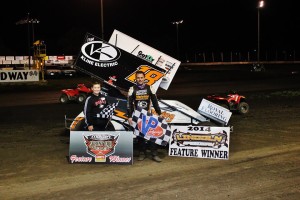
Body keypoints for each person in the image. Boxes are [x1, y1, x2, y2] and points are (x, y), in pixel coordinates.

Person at [127, 71, 163, 162]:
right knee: (140, 136)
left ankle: (154, 154)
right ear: (136, 79)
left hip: (148, 115)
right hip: (138, 116)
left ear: (144, 78)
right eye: (138, 78)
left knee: (152, 135)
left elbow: (155, 102)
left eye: (141, 77)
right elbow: (129, 104)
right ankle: (142, 153)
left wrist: (159, 113)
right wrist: (129, 116)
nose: (140, 79)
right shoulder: (132, 89)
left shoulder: (150, 87)